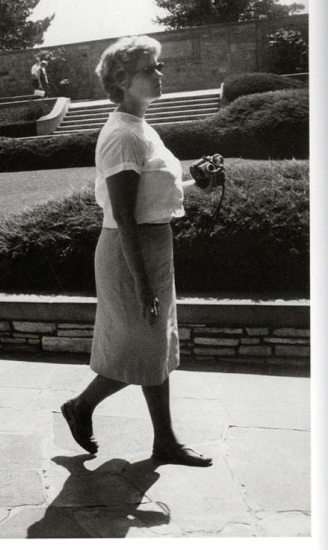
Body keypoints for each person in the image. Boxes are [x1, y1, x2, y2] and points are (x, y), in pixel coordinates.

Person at [60, 36, 223, 467]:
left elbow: (151, 196)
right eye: (150, 69)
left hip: (152, 245)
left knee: (154, 347)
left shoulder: (141, 128)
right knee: (142, 348)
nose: (160, 74)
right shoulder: (122, 136)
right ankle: (82, 406)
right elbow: (124, 214)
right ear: (121, 79)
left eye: (158, 66)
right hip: (128, 252)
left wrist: (198, 183)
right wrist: (142, 282)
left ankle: (162, 439)